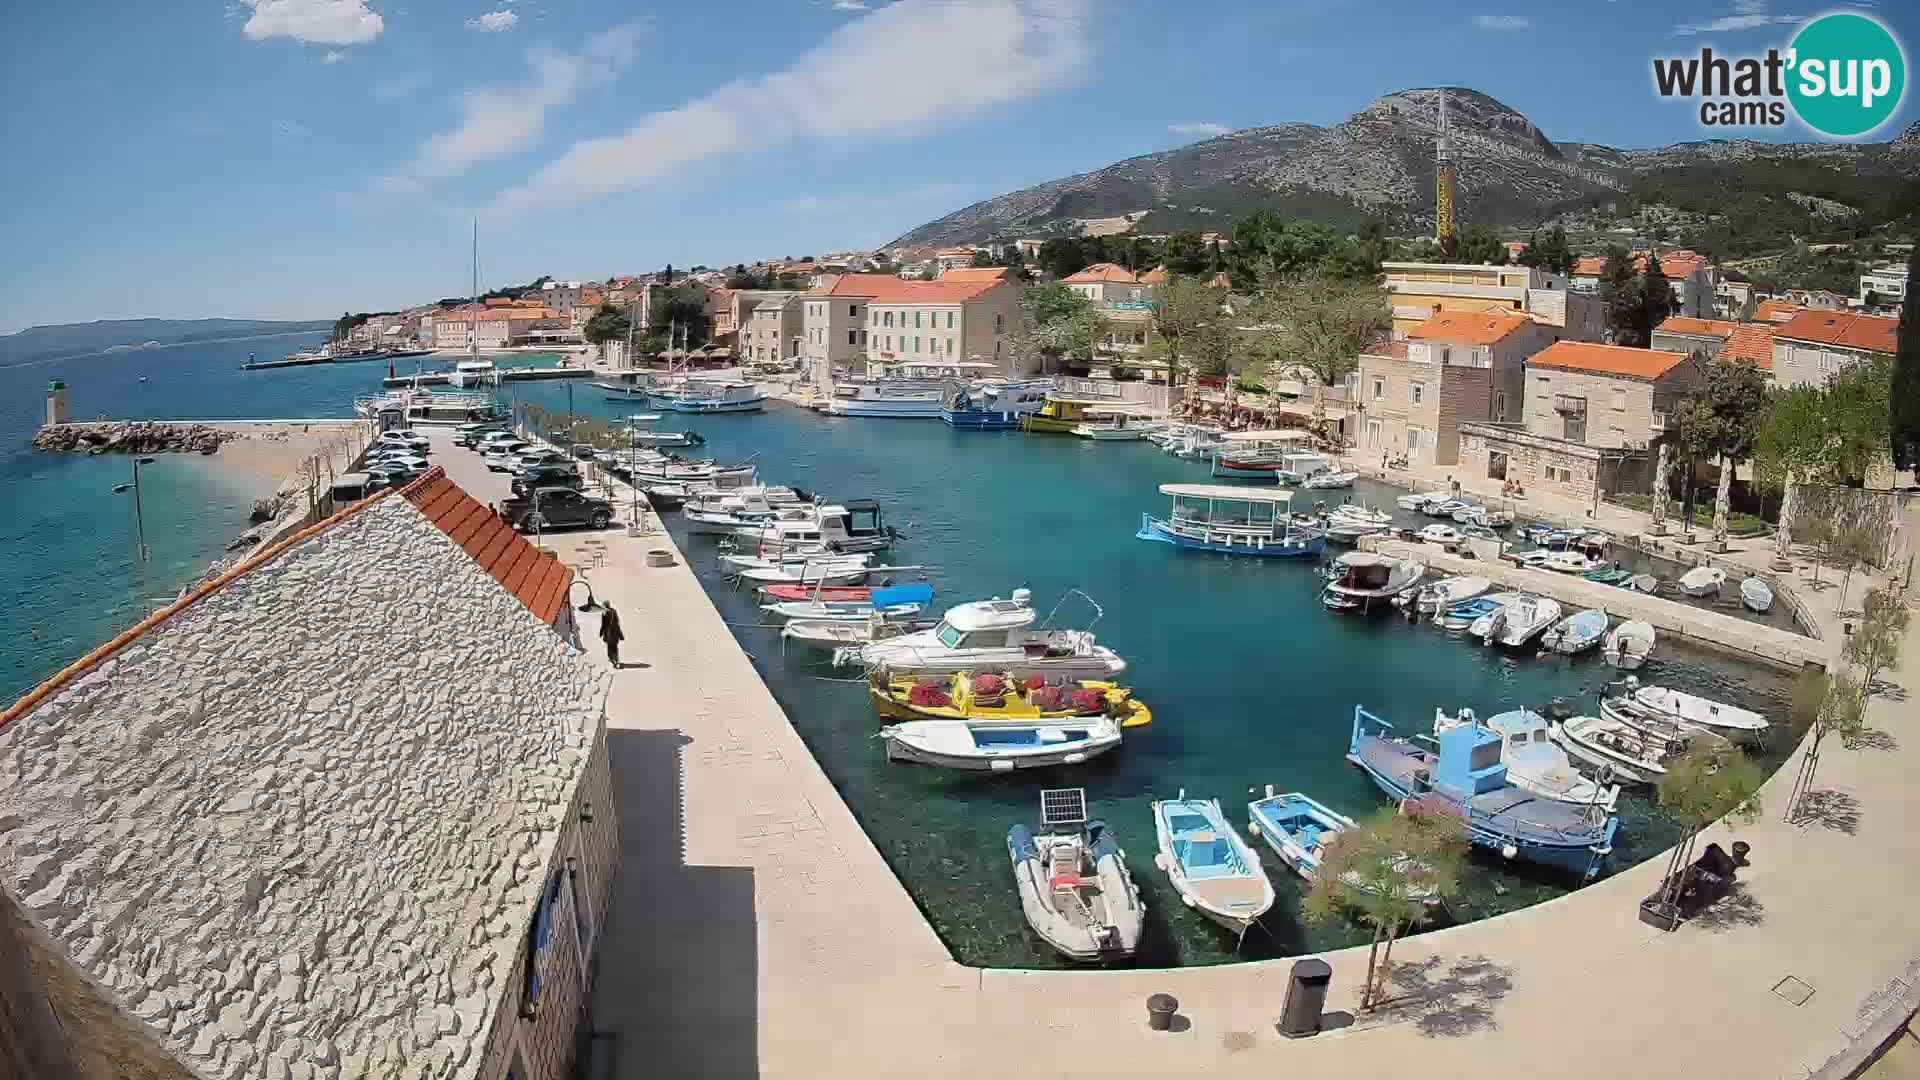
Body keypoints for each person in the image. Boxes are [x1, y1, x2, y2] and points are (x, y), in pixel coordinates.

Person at [599, 602, 625, 667]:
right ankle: (616, 661)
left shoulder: (604, 613)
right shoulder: (613, 611)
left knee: (610, 648)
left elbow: (603, 624)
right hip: (614, 633)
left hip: (608, 634)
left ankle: (614, 661)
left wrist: (601, 632)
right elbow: (617, 623)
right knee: (614, 648)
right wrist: (620, 635)